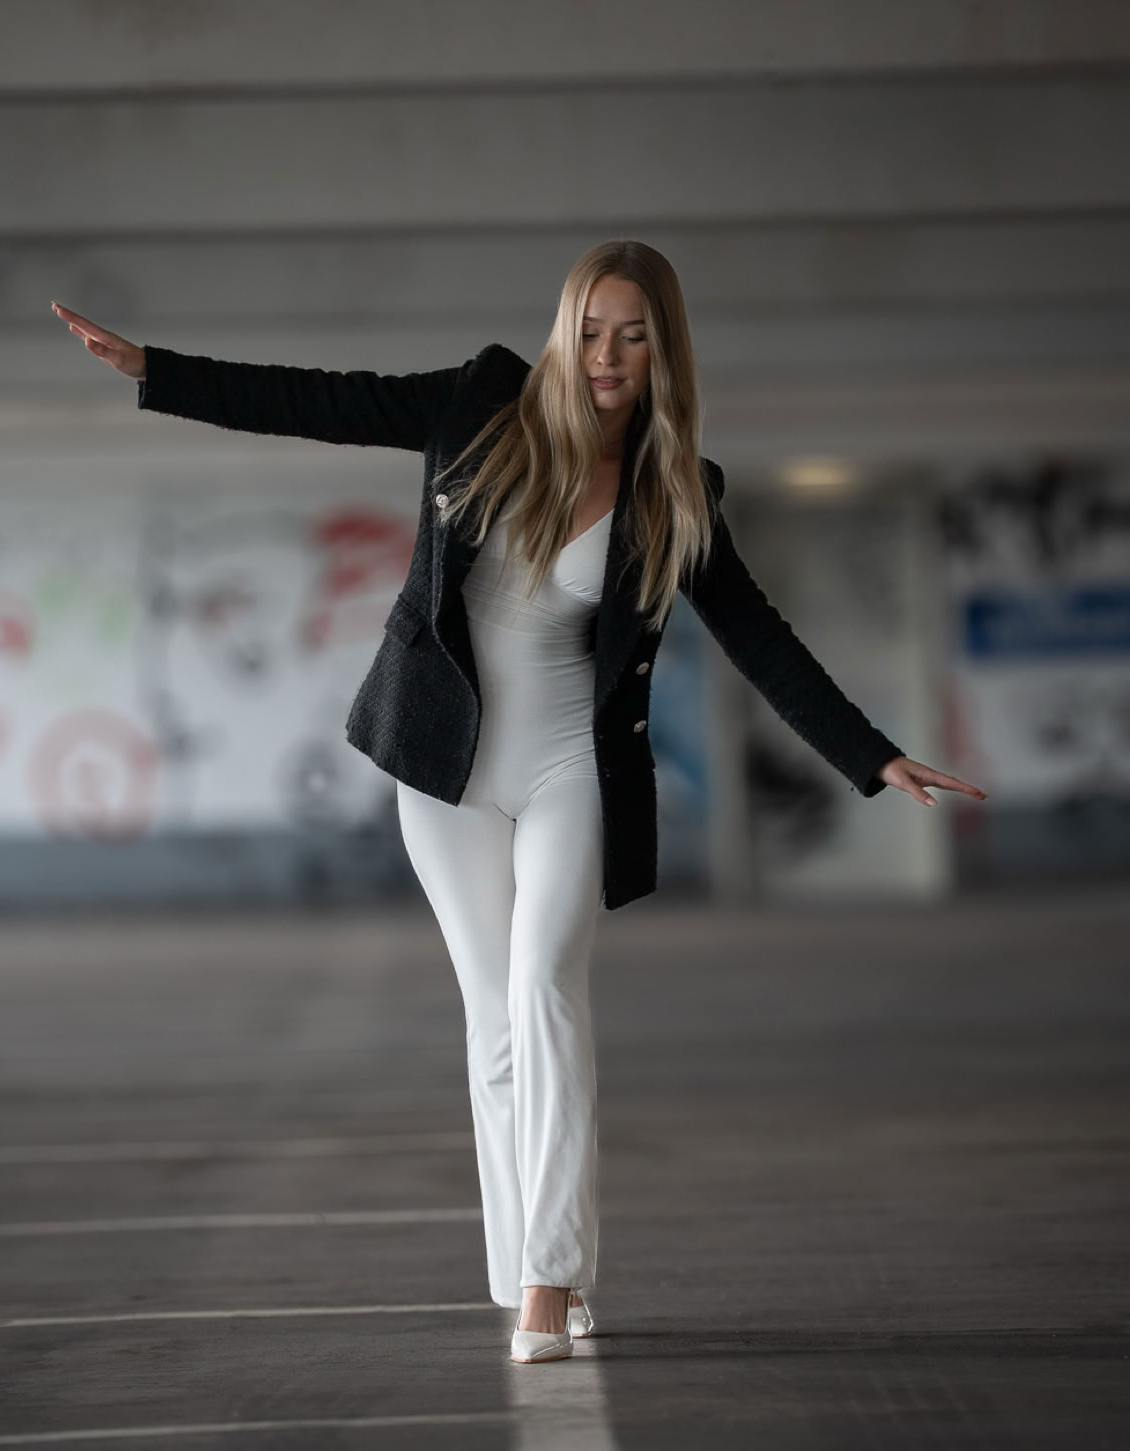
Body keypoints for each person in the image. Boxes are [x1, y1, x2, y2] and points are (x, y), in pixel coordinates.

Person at [51, 239, 986, 1364]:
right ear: (564, 329)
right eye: (592, 330)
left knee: (545, 988)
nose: (607, 355)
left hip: (567, 768)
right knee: (491, 1028)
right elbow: (322, 404)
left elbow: (760, 637)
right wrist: (156, 369)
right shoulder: (481, 405)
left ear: (663, 351)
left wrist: (874, 755)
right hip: (444, 767)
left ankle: (552, 1279)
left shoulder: (677, 489)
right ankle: (525, 1271)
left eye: (633, 336)